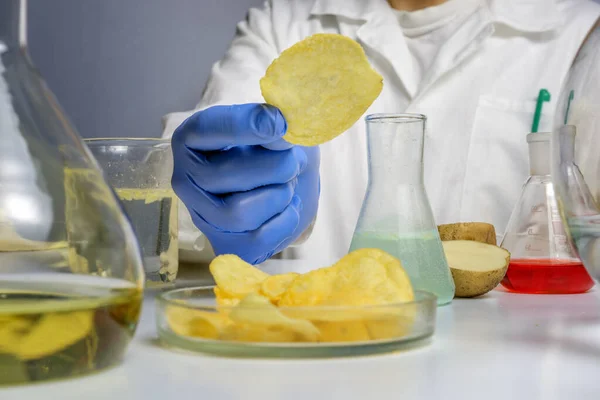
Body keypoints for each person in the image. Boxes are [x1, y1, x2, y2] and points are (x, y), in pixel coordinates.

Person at [162, 0, 600, 267]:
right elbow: (174, 209)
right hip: (313, 366)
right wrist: (214, 193)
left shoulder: (582, 35)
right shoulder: (285, 23)